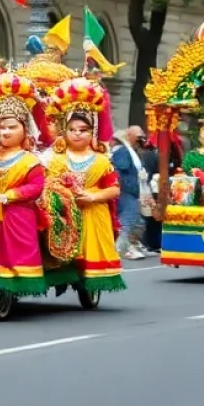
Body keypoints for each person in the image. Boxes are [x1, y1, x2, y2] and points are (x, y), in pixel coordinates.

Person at [44, 77, 126, 295]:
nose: (78, 133)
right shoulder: (55, 159)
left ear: (93, 132)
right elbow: (49, 183)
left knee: (91, 253)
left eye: (83, 129)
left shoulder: (101, 161)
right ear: (64, 130)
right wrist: (64, 195)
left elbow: (114, 189)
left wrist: (92, 197)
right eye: (72, 129)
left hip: (94, 212)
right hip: (65, 213)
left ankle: (90, 286)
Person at [0, 72, 49, 298]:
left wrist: (10, 196)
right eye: (0, 127)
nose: (5, 131)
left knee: (16, 251)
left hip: (18, 214)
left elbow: (36, 187)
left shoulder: (31, 160)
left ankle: (17, 284)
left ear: (25, 129)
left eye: (11, 127)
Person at [111, 129, 146, 260]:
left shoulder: (123, 151)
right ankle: (119, 249)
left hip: (129, 190)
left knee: (138, 221)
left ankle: (131, 245)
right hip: (127, 190)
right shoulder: (123, 152)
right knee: (128, 219)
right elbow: (121, 169)